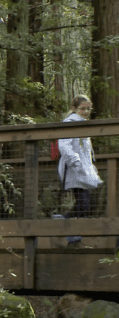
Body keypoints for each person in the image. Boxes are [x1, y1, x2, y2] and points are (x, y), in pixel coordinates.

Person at [55, 95, 103, 247]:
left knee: (85, 205)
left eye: (89, 109)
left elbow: (86, 150)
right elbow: (64, 146)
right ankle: (62, 221)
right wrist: (76, 163)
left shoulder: (83, 124)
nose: (86, 111)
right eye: (83, 109)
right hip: (74, 170)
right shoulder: (69, 123)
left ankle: (72, 237)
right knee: (83, 204)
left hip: (84, 170)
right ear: (75, 109)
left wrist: (89, 166)